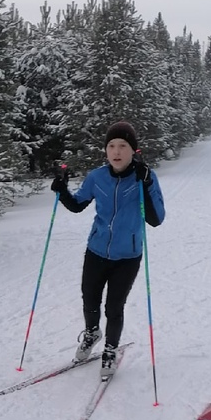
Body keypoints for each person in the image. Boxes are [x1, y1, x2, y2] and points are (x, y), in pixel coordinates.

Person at [50, 120, 165, 378]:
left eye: (122, 146)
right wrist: (62, 191)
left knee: (114, 307)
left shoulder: (145, 177)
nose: (116, 151)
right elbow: (78, 205)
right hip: (97, 250)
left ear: (133, 150)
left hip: (128, 256)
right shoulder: (97, 177)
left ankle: (110, 350)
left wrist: (146, 185)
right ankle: (92, 333)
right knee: (89, 298)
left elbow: (156, 219)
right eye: (111, 145)